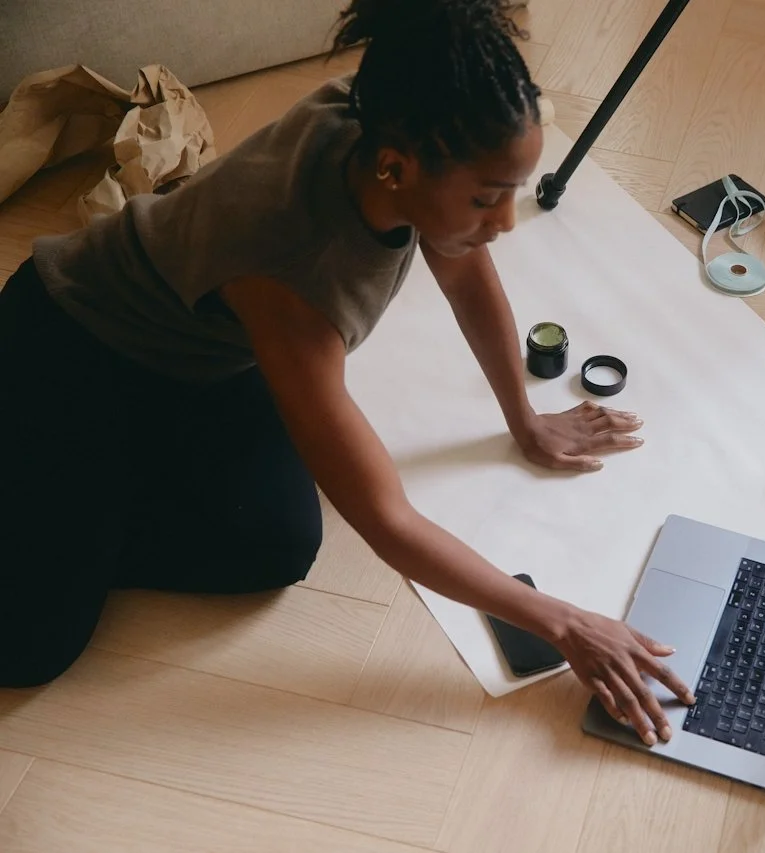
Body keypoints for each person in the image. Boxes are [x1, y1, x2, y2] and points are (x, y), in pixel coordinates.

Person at [0, 0, 693, 747]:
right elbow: (387, 518)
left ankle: (89, 495)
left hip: (205, 351)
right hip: (73, 342)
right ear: (398, 169)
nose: (505, 223)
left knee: (277, 547)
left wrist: (523, 419)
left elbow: (464, 272)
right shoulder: (296, 276)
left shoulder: (384, 124)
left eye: (512, 194)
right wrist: (565, 622)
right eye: (488, 199)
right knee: (31, 648)